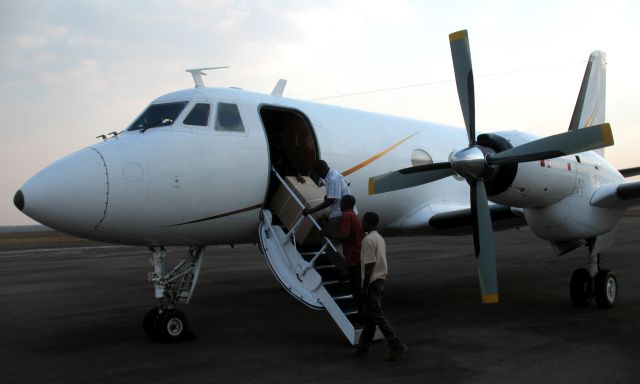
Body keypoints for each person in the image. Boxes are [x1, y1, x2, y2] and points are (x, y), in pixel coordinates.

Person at [353, 212, 408, 361]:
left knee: (377, 315)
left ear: (369, 223)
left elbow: (369, 263)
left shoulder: (367, 240)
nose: (361, 223)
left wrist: (364, 286)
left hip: (372, 281)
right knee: (371, 317)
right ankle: (362, 348)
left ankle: (396, 344)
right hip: (380, 280)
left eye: (363, 221)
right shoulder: (379, 238)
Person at [330, 195, 365, 324]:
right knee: (358, 287)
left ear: (344, 204)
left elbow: (344, 235)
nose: (340, 205)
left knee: (357, 290)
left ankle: (363, 317)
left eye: (341, 203)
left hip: (353, 257)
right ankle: (363, 315)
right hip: (358, 256)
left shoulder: (346, 216)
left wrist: (328, 233)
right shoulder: (353, 216)